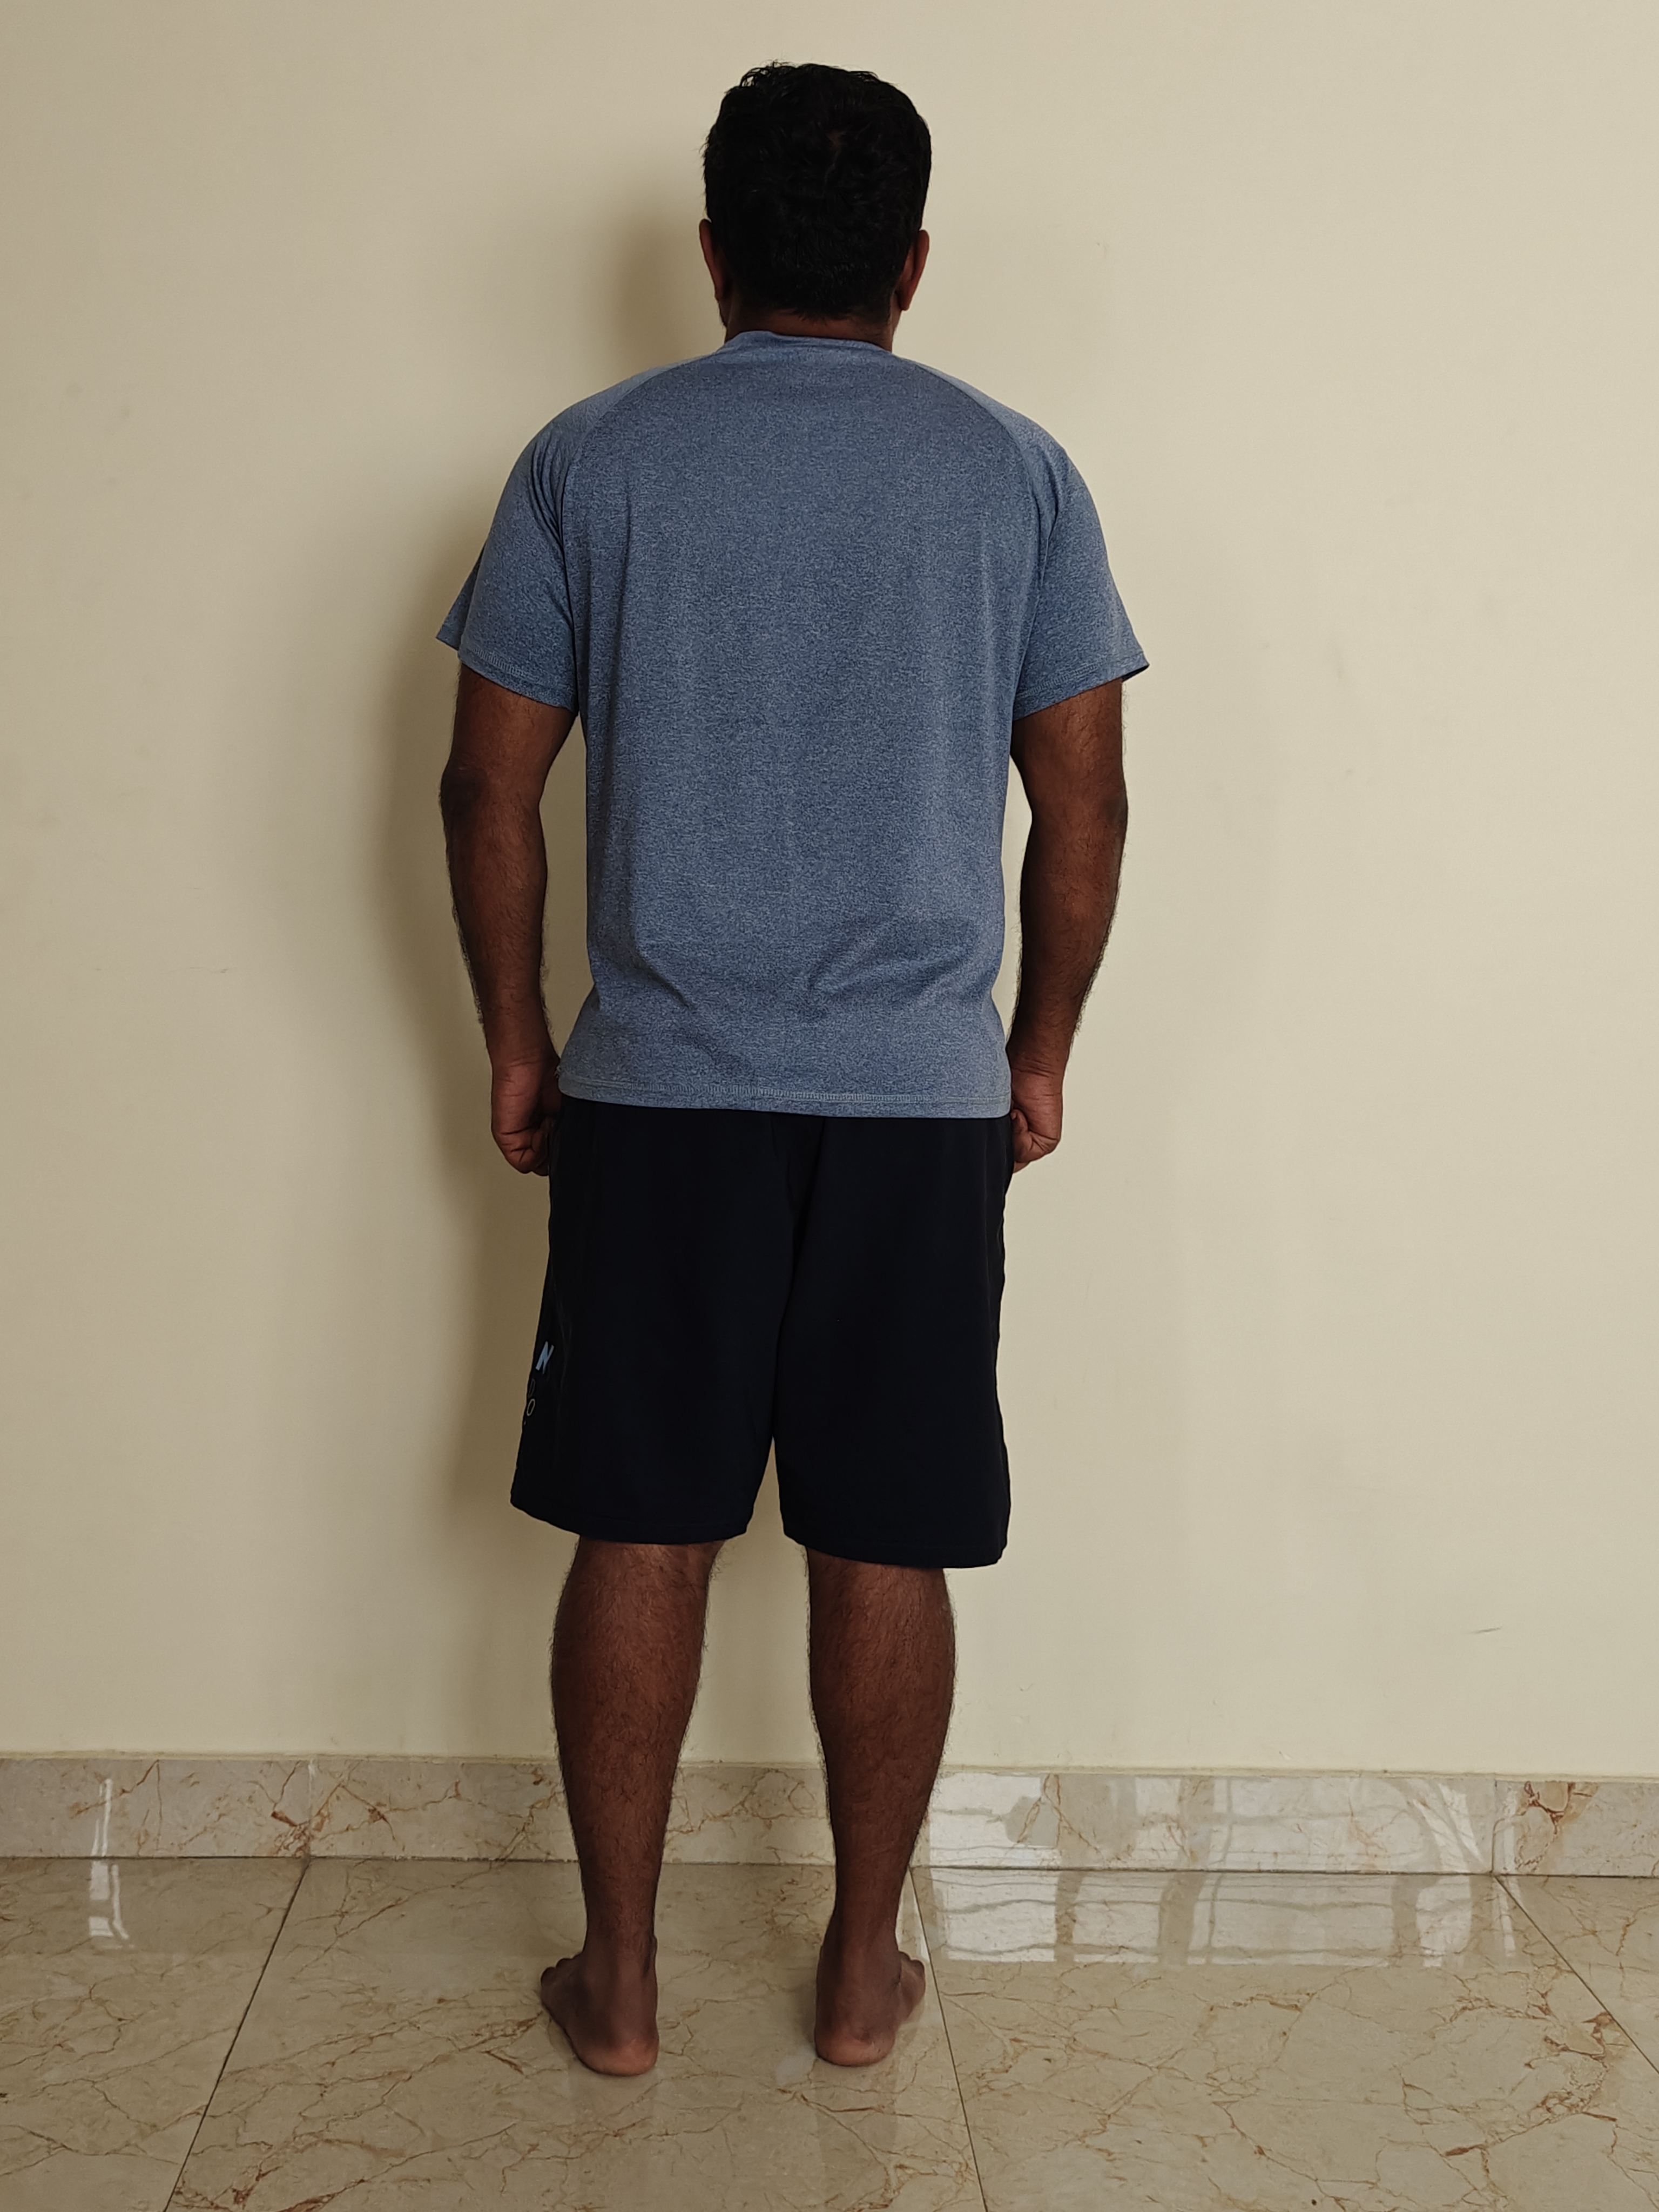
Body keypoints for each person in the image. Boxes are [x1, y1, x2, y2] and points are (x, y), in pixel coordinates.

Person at [437, 60, 1145, 2077]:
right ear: (912, 263)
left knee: (640, 1523)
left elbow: (486, 787)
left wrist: (520, 1041)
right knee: (887, 1533)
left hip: (658, 1089)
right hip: (917, 1100)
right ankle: (855, 1975)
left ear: (712, 251)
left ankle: (621, 1985)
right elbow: (1087, 806)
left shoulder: (591, 458)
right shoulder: (1016, 473)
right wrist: (1036, 1050)